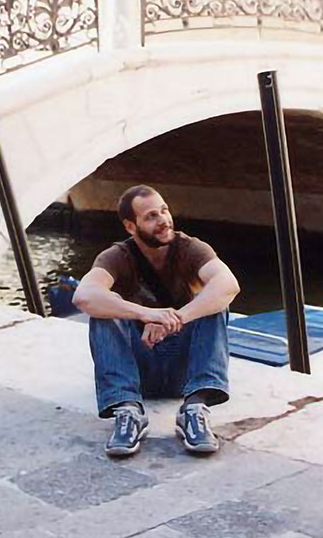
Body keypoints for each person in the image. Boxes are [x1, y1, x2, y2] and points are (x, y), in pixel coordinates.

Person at [72, 185, 240, 458]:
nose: (163, 220)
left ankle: (195, 408)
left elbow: (228, 284)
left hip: (184, 371)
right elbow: (84, 296)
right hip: (138, 369)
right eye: (151, 216)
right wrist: (145, 313)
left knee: (216, 301)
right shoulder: (117, 256)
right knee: (102, 309)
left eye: (164, 210)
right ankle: (127, 410)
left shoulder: (190, 248)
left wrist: (176, 318)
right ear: (130, 226)